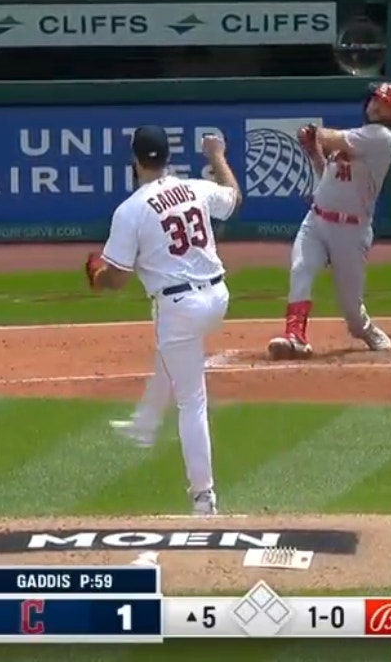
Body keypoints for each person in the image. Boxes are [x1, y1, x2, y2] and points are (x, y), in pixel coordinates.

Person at [86, 126, 241, 516]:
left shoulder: (131, 209)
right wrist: (217, 157)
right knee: (172, 353)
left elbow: (117, 279)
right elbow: (234, 198)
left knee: (192, 401)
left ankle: (203, 497)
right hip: (218, 297)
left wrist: (95, 277)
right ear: (167, 157)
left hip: (181, 307)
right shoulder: (195, 188)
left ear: (135, 160)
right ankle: (145, 423)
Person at [266, 82, 391, 359]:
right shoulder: (359, 137)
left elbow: (330, 137)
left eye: (386, 103)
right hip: (317, 220)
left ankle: (365, 329)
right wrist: (314, 152)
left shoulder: (381, 138)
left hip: (351, 230)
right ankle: (295, 335)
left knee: (350, 308)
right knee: (301, 268)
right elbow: (328, 173)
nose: (377, 105)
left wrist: (315, 134)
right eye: (376, 99)